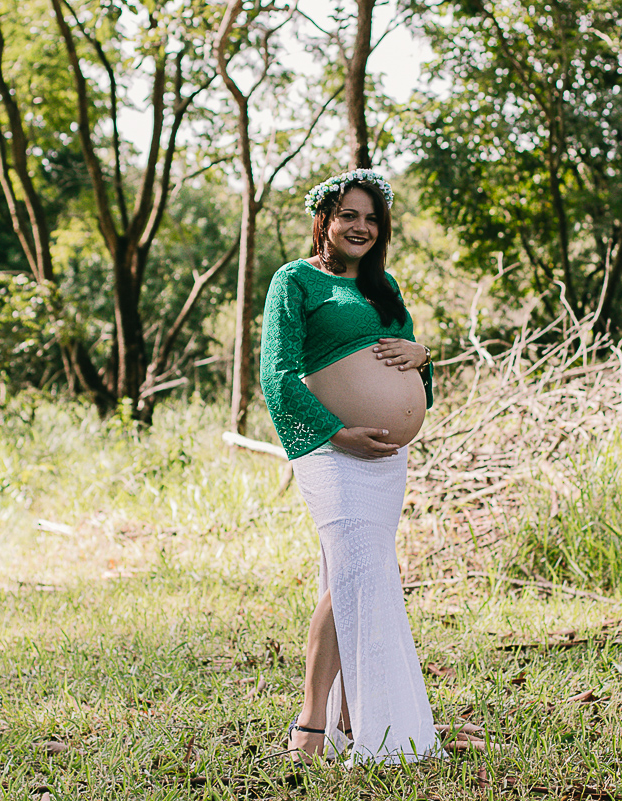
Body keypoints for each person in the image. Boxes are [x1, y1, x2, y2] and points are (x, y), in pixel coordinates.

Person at [259, 169, 443, 764]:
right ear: (326, 221)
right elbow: (278, 374)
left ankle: (344, 718)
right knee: (356, 573)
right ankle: (312, 722)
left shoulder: (385, 286)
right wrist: (337, 431)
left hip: (386, 459)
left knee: (358, 578)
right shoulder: (297, 281)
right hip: (332, 451)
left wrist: (423, 356)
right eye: (348, 215)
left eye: (370, 217)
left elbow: (415, 376)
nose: (360, 226)